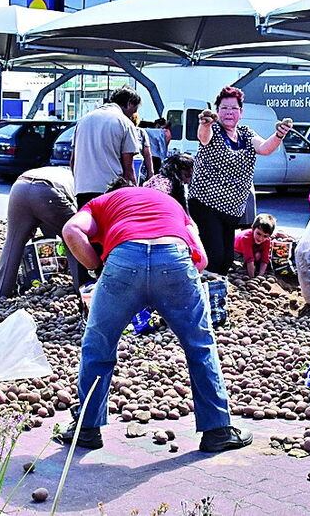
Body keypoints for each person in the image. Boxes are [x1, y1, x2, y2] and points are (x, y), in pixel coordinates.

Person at [60, 185, 252, 452]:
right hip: (173, 257)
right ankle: (218, 431)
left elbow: (71, 230)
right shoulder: (173, 205)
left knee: (98, 346)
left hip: (124, 261)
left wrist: (96, 267)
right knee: (200, 346)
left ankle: (87, 429)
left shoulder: (100, 203)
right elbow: (202, 260)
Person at [188, 86, 290, 275]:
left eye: (234, 108)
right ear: (217, 111)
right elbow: (204, 137)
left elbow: (265, 148)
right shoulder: (213, 129)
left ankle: (216, 287)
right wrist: (205, 123)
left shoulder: (246, 133)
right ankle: (201, 286)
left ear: (241, 112)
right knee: (214, 255)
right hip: (206, 204)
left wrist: (279, 135)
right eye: (224, 108)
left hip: (231, 210)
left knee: (226, 259)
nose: (229, 112)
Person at [0, 166, 77, 299]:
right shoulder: (78, 181)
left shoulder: (58, 172)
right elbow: (75, 228)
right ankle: (83, 286)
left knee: (13, 242)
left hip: (20, 187)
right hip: (48, 191)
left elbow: (48, 232)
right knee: (73, 239)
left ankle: (2, 292)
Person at [71, 86, 141, 207]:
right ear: (129, 103)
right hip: (111, 190)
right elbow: (128, 169)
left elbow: (73, 160)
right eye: (135, 110)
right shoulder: (124, 123)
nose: (133, 114)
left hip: (82, 189)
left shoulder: (83, 120)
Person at [234, 214, 275, 278]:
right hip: (237, 253)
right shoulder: (246, 238)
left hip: (253, 250)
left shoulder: (267, 241)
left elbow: (265, 259)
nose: (260, 238)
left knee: (259, 256)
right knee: (240, 266)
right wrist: (252, 278)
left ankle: (257, 270)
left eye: (265, 236)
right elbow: (249, 259)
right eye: (258, 234)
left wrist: (260, 276)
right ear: (253, 229)